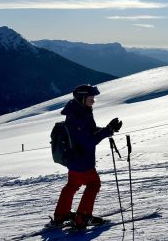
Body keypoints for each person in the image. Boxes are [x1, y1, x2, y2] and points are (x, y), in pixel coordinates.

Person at [51, 84, 123, 229]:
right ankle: (83, 218)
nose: (93, 101)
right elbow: (89, 142)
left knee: (72, 185)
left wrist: (107, 129)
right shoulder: (79, 116)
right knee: (93, 184)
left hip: (74, 160)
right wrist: (106, 132)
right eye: (90, 98)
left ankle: (61, 215)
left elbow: (87, 132)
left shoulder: (79, 110)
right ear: (81, 98)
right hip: (82, 162)